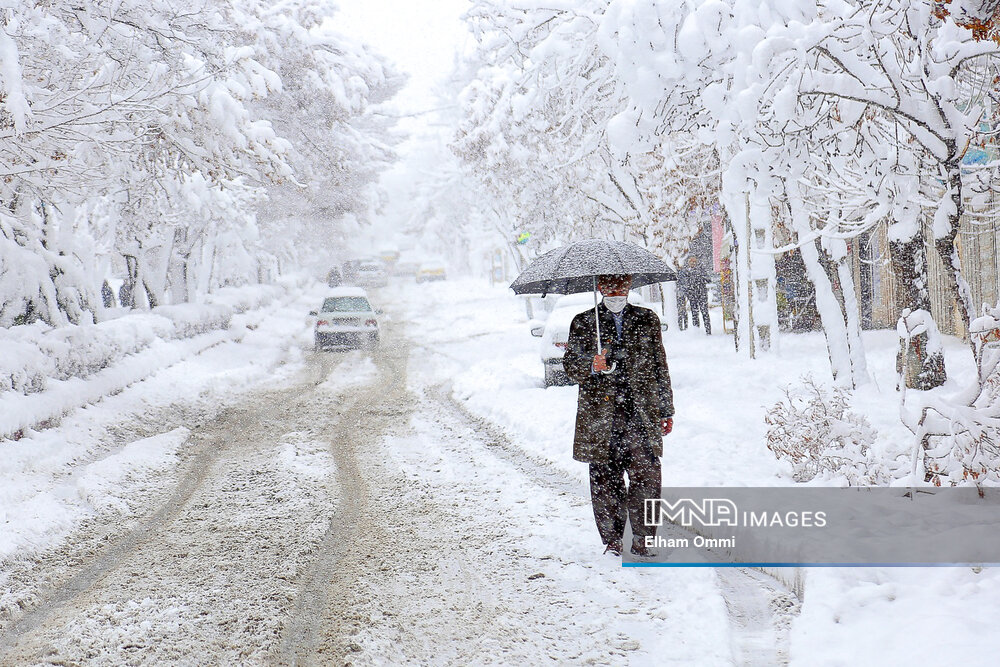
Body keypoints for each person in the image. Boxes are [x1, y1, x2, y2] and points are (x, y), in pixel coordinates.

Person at [562, 274, 674, 557]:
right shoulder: (584, 322)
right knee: (605, 479)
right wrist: (592, 364)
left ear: (629, 287)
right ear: (600, 288)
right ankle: (612, 539)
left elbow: (660, 364)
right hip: (600, 415)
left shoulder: (646, 320)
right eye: (610, 287)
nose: (616, 292)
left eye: (621, 287)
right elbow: (570, 366)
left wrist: (666, 409)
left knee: (647, 475)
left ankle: (643, 537)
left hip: (640, 412)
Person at [678, 256, 711, 334]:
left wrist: (701, 277)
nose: (693, 263)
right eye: (691, 262)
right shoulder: (686, 271)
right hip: (692, 296)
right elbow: (684, 283)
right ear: (688, 263)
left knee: (704, 312)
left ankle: (708, 331)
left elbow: (709, 279)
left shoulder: (701, 270)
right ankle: (696, 331)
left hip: (702, 295)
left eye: (694, 261)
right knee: (694, 314)